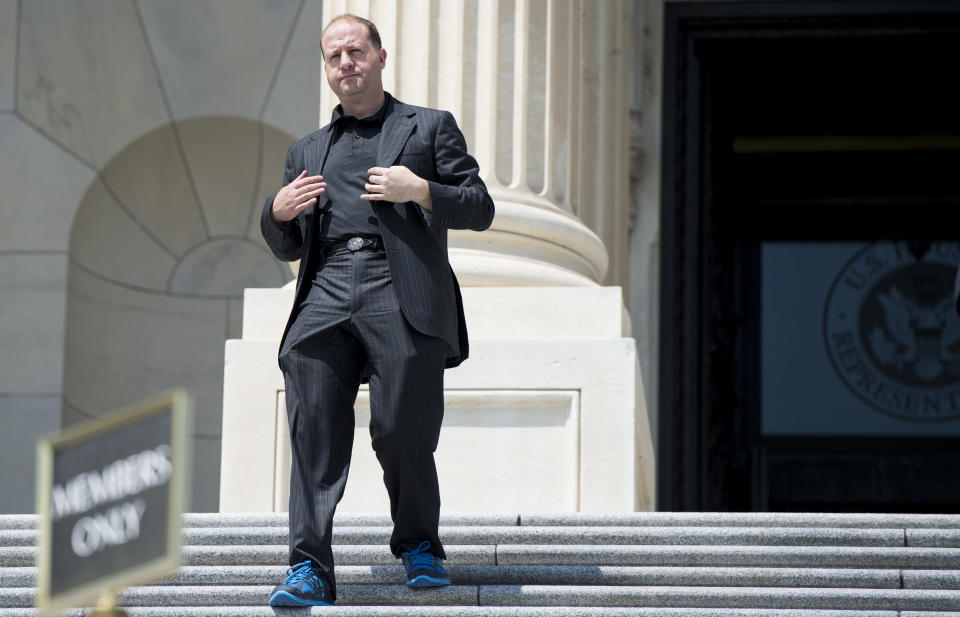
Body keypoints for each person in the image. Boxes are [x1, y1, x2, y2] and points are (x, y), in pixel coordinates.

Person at [260, 13, 494, 608]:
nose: (345, 63)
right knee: (314, 430)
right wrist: (278, 213)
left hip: (401, 287)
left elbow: (479, 205)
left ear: (381, 57)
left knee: (399, 429)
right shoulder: (308, 149)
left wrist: (420, 190)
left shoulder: (429, 127)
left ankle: (419, 544)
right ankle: (308, 567)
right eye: (334, 55)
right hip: (327, 288)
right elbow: (289, 245)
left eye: (355, 51)